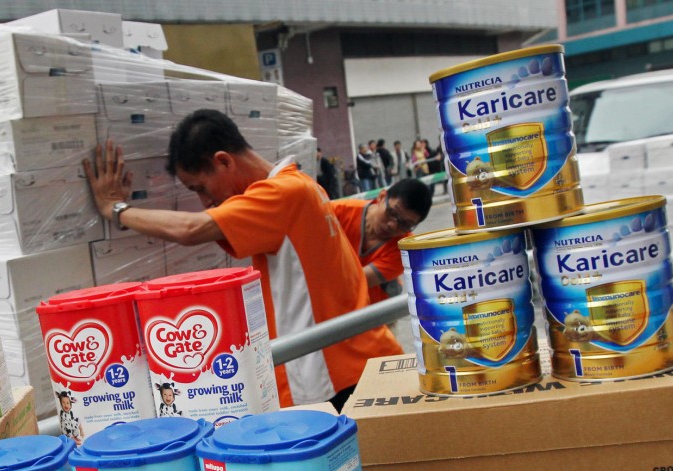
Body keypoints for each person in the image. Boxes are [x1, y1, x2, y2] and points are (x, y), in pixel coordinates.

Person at [83, 109, 403, 410]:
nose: (205, 201)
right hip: (351, 362)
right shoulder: (303, 185)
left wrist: (116, 209)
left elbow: (191, 228)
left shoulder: (281, 194)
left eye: (200, 188)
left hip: (326, 377)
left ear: (223, 161)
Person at [331, 179, 433, 303]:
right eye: (391, 213)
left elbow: (355, 282)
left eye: (405, 224)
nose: (392, 225)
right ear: (382, 197)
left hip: (368, 315)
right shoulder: (337, 212)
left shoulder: (405, 249)